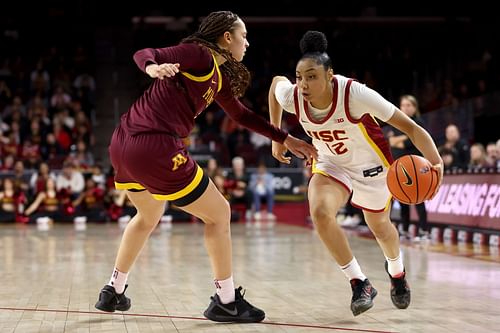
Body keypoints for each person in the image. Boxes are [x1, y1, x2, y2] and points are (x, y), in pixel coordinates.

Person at [94, 11, 317, 324]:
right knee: (220, 213)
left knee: (148, 215)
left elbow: (241, 115)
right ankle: (226, 300)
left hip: (122, 143)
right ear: (226, 37)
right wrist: (153, 67)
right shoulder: (198, 54)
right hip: (156, 145)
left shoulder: (219, 75)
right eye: (244, 36)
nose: (247, 43)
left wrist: (284, 137)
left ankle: (113, 289)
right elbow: (144, 53)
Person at [268, 31, 443, 316]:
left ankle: (397, 274)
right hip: (330, 164)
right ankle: (359, 282)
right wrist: (277, 135)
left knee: (381, 229)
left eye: (312, 76)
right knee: (321, 213)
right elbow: (276, 84)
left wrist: (437, 163)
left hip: (371, 168)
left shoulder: (354, 93)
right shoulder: (294, 95)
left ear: (329, 75)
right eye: (299, 77)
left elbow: (410, 127)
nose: (303, 84)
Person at [386, 95, 429, 241]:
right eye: (403, 105)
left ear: (415, 107)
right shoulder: (397, 124)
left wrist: (400, 140)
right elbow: (391, 141)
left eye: (409, 105)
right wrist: (404, 137)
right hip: (399, 166)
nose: (405, 107)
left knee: (419, 198)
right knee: (402, 199)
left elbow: (407, 144)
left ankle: (424, 231)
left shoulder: (418, 123)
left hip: (415, 166)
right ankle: (404, 230)